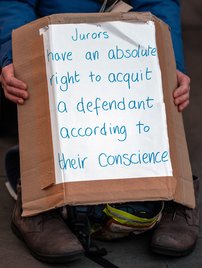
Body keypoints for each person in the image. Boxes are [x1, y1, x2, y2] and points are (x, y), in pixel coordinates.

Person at [0, 0, 199, 264]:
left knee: (163, 88)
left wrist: (172, 60)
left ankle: (177, 195)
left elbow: (158, 1)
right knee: (35, 83)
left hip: (129, 43)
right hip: (54, 46)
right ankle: (37, 202)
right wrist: (16, 54)